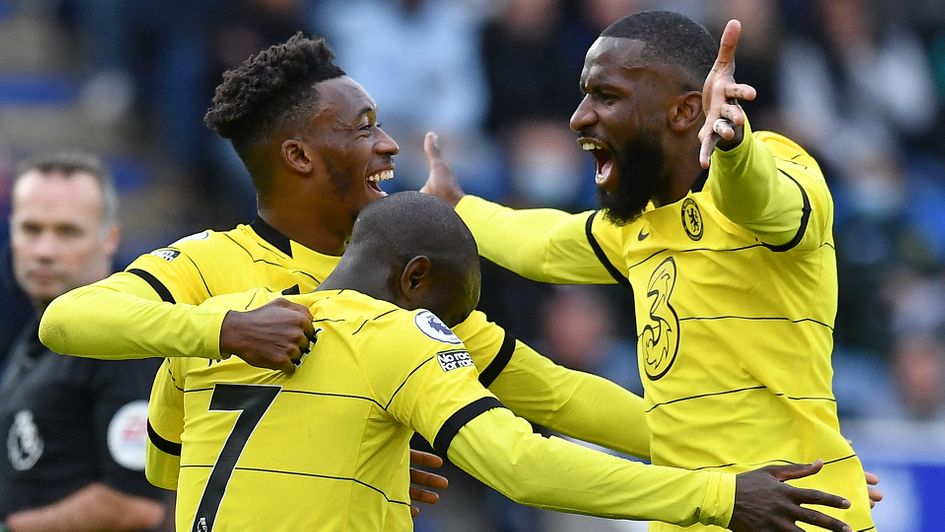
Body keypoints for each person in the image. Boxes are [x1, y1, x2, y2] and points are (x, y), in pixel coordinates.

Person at [41, 33, 850, 530]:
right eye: (365, 130)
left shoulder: (407, 291)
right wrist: (216, 330)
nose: (389, 146)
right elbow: (71, 322)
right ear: (298, 157)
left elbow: (560, 397)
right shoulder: (217, 273)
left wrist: (753, 456)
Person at [147, 191, 851, 531]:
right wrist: (722, 496)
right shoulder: (400, 337)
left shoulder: (221, 321)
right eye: (448, 315)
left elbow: (169, 466)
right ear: (413, 280)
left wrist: (336, 454)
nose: (449, 332)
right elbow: (520, 463)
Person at [421, 11, 875, 532]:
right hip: (693, 515)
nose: (579, 117)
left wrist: (734, 145)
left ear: (686, 111)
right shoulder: (636, 227)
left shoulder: (783, 166)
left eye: (606, 97)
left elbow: (761, 201)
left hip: (800, 516)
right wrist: (457, 209)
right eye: (585, 94)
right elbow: (541, 244)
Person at [0, 153, 166, 531]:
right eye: (31, 229)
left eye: (67, 231)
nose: (44, 250)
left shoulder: (122, 340)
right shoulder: (41, 329)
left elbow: (135, 504)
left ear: (110, 238)